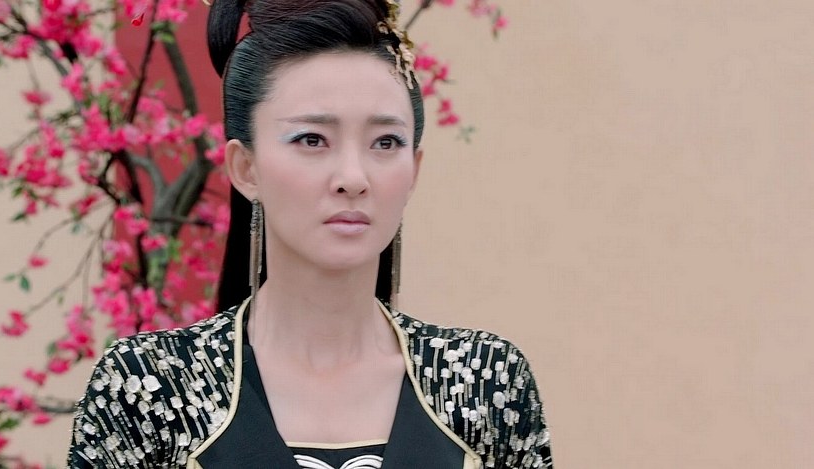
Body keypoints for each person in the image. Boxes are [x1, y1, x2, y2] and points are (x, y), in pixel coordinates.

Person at [66, 0, 552, 467]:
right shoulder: (150, 386)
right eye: (312, 139)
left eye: (386, 142)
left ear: (414, 170)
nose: (353, 177)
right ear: (245, 167)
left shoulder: (484, 382)